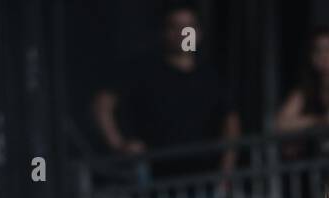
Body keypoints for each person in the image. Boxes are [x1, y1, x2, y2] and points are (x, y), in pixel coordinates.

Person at [91, 2, 241, 180]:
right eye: (176, 27)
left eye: (189, 27)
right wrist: (120, 145)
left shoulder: (211, 76)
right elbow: (102, 104)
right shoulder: (145, 70)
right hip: (156, 181)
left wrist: (227, 169)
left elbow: (231, 122)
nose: (183, 34)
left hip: (204, 180)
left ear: (199, 33)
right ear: (164, 32)